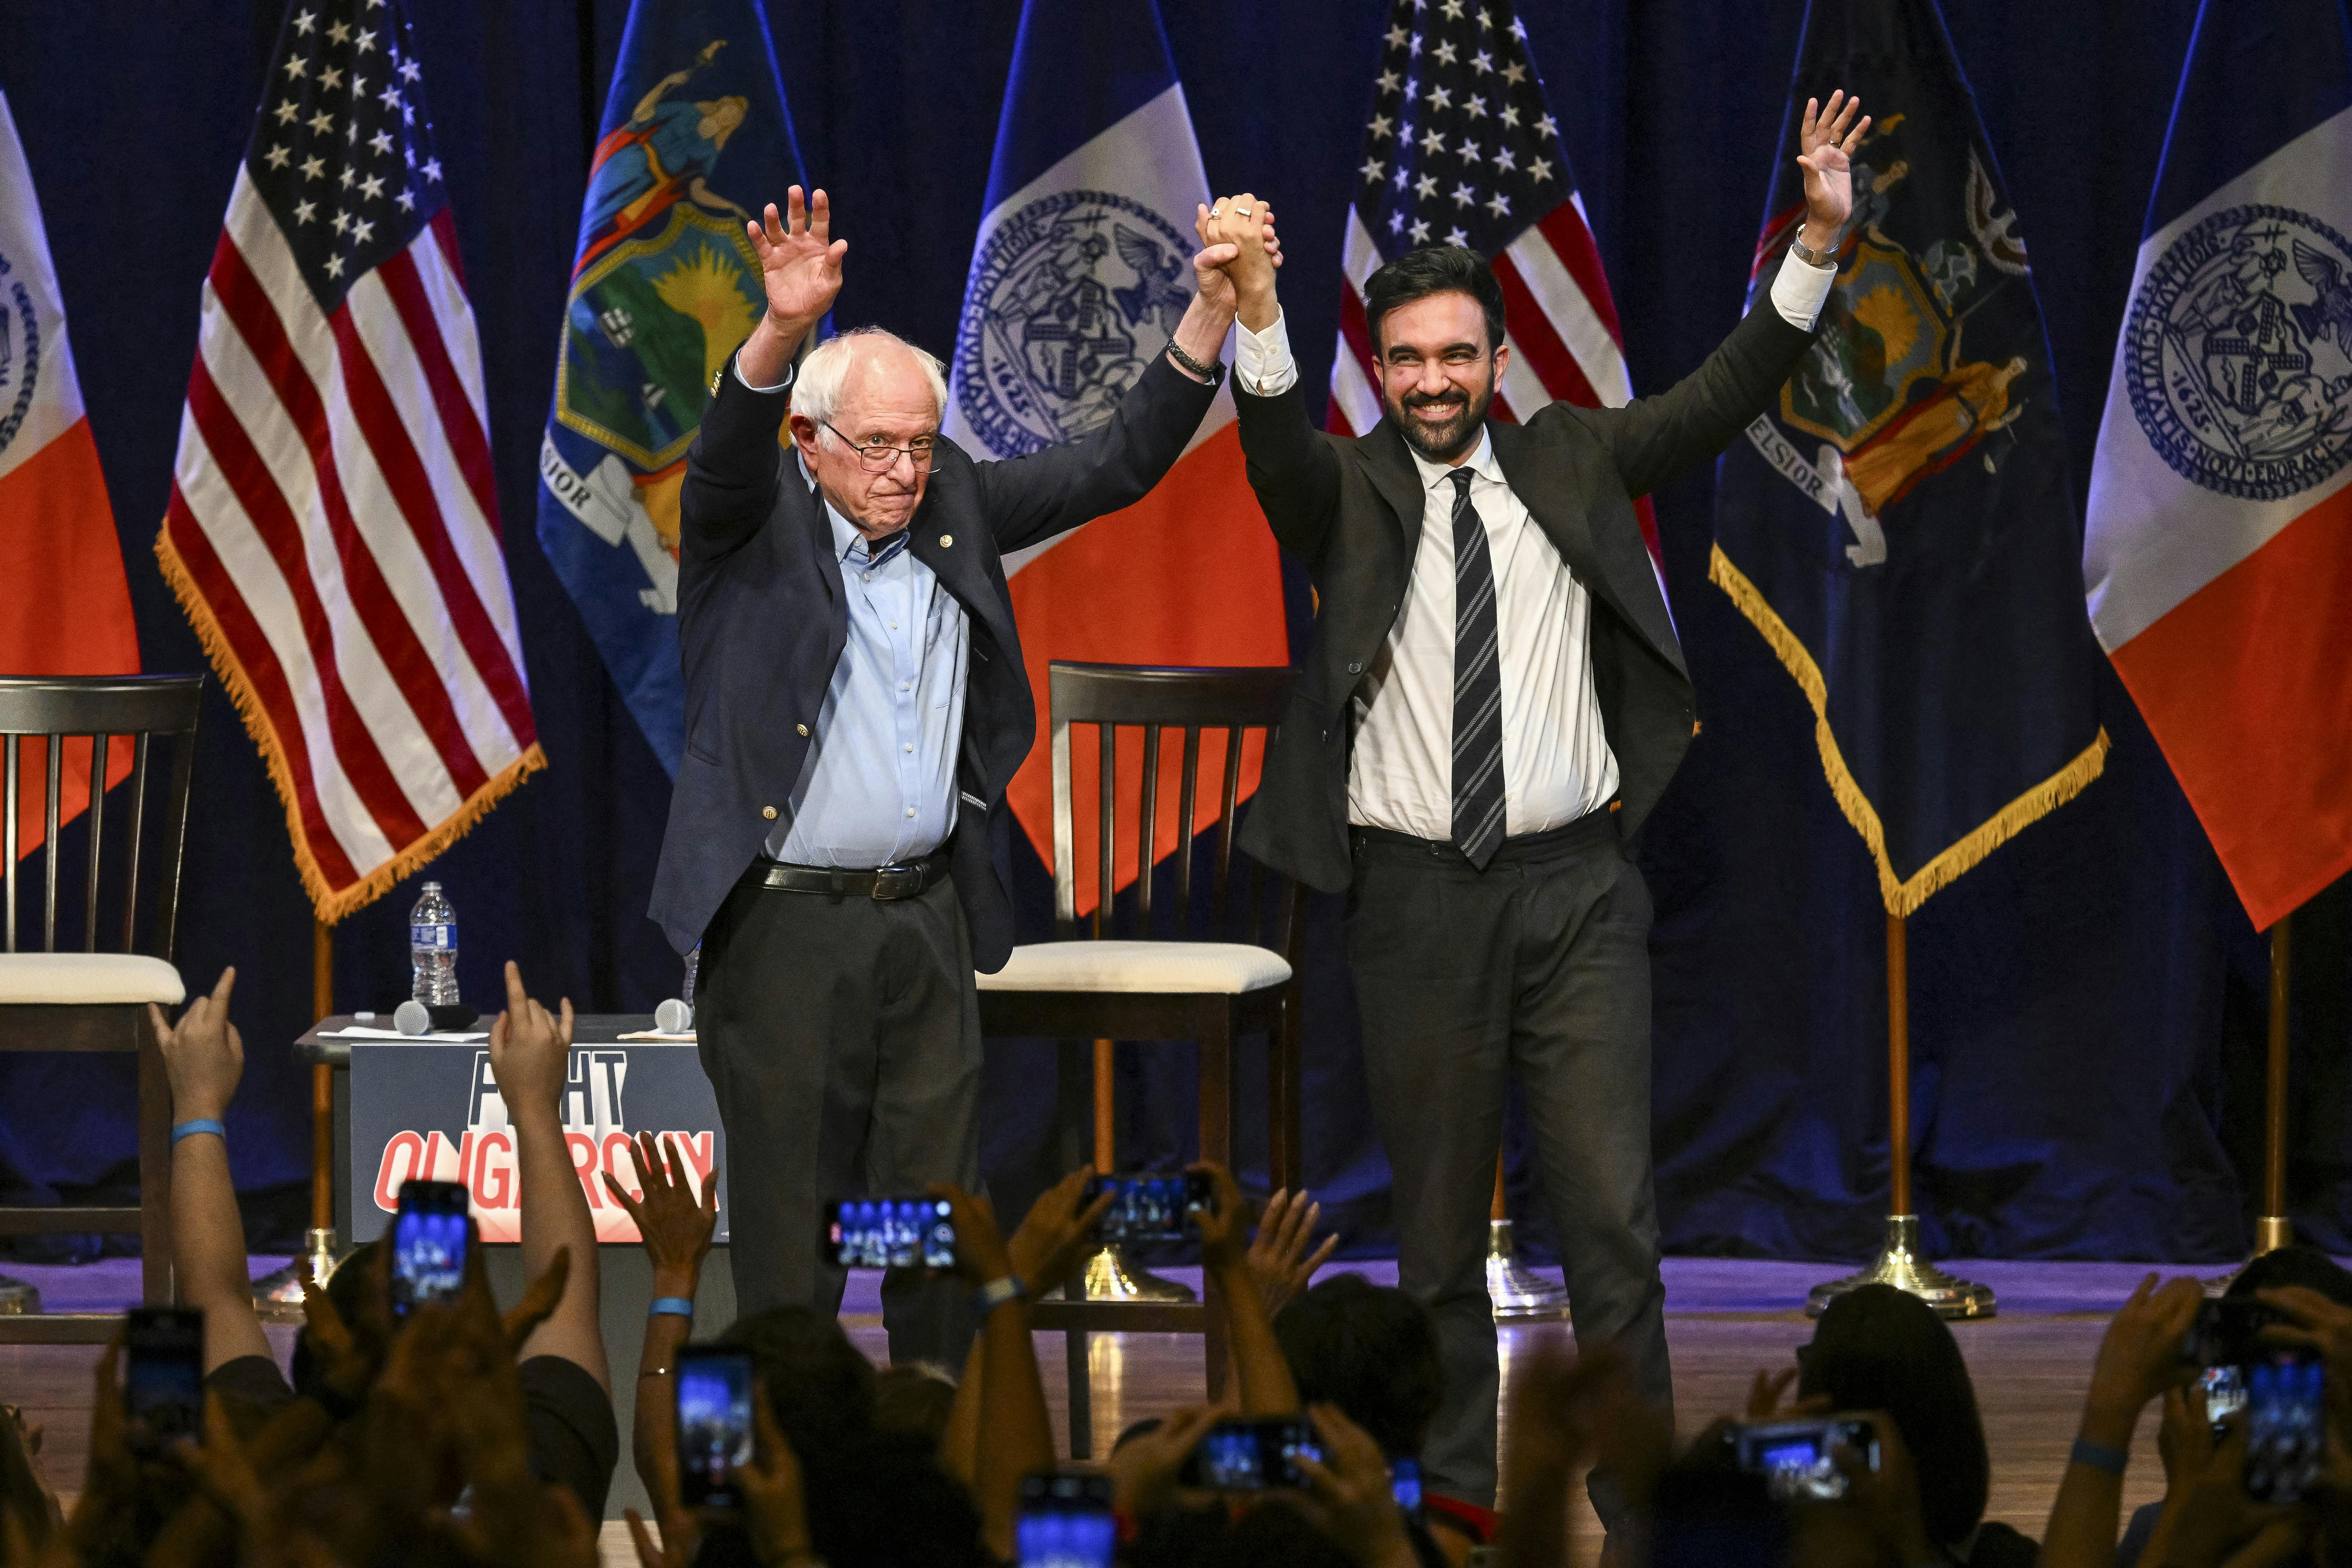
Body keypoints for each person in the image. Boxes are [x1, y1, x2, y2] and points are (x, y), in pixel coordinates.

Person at [1195, 88, 1869, 1526]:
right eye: (1407, 360)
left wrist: (1815, 240)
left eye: (1457, 353)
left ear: (1498, 356)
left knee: (1615, 1231)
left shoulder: (1568, 452)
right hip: (1416, 902)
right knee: (1437, 1249)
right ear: (1374, 370)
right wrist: (1259, 305)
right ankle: (1457, 1520)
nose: (1435, 380)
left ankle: (1647, 1519)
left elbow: (1723, 390)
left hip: (1576, 892)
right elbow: (1269, 448)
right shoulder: (1347, 490)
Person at [645, 184, 1274, 1368]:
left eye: (920, 443)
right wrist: (780, 330)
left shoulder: (957, 503)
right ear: (812, 442)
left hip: (922, 922)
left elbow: (1120, 464)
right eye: (876, 445)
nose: (901, 469)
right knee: (794, 1238)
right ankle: (794, 1491)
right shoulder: (744, 523)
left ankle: (938, 1443)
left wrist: (1204, 315)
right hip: (781, 937)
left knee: (937, 1222)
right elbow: (728, 443)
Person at [155, 961, 619, 1520]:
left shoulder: (269, 1495)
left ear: (325, 1363)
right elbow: (565, 1304)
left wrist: (197, 1105)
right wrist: (536, 1107)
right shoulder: (541, 1501)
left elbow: (213, 1295)